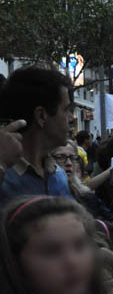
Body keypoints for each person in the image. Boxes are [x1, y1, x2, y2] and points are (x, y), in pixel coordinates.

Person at [0, 67, 74, 207]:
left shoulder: (58, 175)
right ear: (41, 116)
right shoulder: (5, 177)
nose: (71, 118)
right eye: (66, 110)